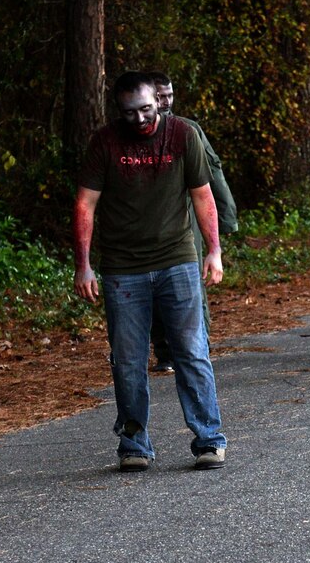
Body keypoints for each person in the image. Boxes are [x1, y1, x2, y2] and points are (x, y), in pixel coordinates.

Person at [73, 71, 227, 473]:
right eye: (130, 113)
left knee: (191, 351)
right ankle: (134, 443)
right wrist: (84, 265)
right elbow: (85, 205)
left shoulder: (182, 135)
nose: (140, 119)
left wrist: (213, 250)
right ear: (117, 112)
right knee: (127, 358)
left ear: (158, 102)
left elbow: (202, 194)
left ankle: (209, 439)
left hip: (177, 258)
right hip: (124, 269)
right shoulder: (105, 142)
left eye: (146, 109)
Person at [147, 71, 238, 373]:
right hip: (147, 224)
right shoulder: (130, 133)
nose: (166, 102)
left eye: (170, 95)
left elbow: (212, 176)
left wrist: (226, 218)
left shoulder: (188, 130)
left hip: (186, 220)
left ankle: (199, 346)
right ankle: (165, 353)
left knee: (190, 285)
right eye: (160, 96)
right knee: (153, 286)